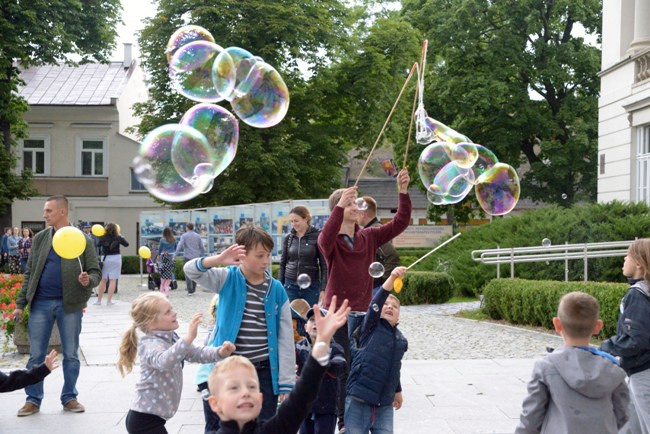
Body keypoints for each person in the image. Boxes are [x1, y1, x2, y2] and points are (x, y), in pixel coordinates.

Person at [318, 168, 411, 432]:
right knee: (341, 367)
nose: (355, 207)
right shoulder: (331, 241)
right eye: (349, 203)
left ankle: (368, 411)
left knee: (365, 364)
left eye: (355, 204)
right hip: (337, 315)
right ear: (337, 209)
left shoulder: (368, 236)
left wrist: (402, 192)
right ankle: (344, 421)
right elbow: (324, 239)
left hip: (364, 312)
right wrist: (338, 206)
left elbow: (399, 224)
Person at [184, 225, 295, 431]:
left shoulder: (276, 289)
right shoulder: (227, 278)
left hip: (263, 372)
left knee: (263, 426)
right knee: (224, 426)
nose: (266, 261)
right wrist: (217, 260)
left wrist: (286, 382)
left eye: (268, 255)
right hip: (228, 368)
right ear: (242, 255)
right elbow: (190, 270)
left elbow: (285, 338)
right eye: (260, 255)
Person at [205, 296, 351, 434]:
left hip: (326, 407)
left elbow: (302, 397)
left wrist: (322, 343)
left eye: (252, 387)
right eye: (234, 387)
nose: (245, 393)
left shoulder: (272, 430)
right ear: (215, 403)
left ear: (261, 398)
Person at [12, 194, 101, 416]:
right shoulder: (41, 238)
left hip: (69, 305)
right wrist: (20, 304)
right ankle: (32, 399)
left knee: (71, 353)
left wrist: (88, 280)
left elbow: (95, 272)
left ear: (62, 211)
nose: (44, 214)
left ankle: (70, 397)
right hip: (40, 303)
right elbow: (30, 273)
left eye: (49, 210)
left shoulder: (83, 239)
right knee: (35, 355)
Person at [117, 292, 236, 434]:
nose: (174, 313)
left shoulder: (171, 338)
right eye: (168, 312)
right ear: (151, 323)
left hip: (153, 418)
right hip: (143, 420)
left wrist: (220, 352)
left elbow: (195, 353)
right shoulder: (150, 343)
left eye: (172, 308)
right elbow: (164, 361)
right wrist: (188, 338)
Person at [517, 292, 629, 433]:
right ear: (598, 326)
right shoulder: (611, 367)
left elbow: (531, 416)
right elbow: (622, 412)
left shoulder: (546, 367)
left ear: (557, 324)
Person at [345, 267, 408, 434]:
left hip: (384, 405)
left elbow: (394, 367)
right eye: (386, 304)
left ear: (398, 316)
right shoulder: (370, 327)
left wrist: (398, 391)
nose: (389, 307)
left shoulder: (401, 340)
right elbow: (377, 301)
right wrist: (392, 277)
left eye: (394, 306)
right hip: (359, 399)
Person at [600, 238, 650, 433]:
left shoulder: (638, 295)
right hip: (638, 372)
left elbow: (635, 339)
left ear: (638, 263)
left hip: (644, 372)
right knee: (629, 427)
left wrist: (605, 348)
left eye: (627, 255)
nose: (624, 258)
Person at [295, 306, 347, 434]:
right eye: (312, 320)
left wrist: (322, 361)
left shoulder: (335, 348)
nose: (316, 323)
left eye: (321, 320)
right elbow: (287, 365)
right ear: (306, 327)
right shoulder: (299, 348)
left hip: (326, 408)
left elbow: (341, 365)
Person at [278, 205, 328, 307]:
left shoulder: (318, 236)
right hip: (290, 284)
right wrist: (279, 286)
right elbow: (282, 264)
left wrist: (323, 289)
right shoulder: (289, 238)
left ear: (305, 219)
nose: (293, 224)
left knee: (309, 316)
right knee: (291, 317)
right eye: (291, 221)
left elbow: (324, 266)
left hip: (311, 285)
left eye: (296, 221)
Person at [357, 196, 400, 287]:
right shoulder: (375, 228)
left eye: (356, 212)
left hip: (376, 288)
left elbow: (392, 255)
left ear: (362, 214)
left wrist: (381, 282)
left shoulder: (374, 231)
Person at [95, 222, 129, 306]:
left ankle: (99, 301)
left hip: (105, 258)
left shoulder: (103, 237)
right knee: (113, 280)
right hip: (116, 258)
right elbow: (126, 244)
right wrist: (121, 236)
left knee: (103, 279)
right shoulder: (118, 237)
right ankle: (109, 301)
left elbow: (98, 244)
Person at [175, 222, 205, 295]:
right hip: (196, 257)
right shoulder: (198, 236)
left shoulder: (184, 236)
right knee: (195, 272)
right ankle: (194, 288)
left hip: (187, 256)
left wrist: (175, 254)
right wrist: (202, 255)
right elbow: (202, 247)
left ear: (187, 228)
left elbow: (180, 245)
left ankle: (190, 289)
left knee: (187, 272)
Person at [158, 227, 178, 297]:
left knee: (164, 268)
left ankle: (162, 287)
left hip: (164, 255)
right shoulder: (174, 239)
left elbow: (160, 249)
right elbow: (176, 248)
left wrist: (158, 255)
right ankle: (173, 280)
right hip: (172, 255)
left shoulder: (162, 240)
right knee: (170, 269)